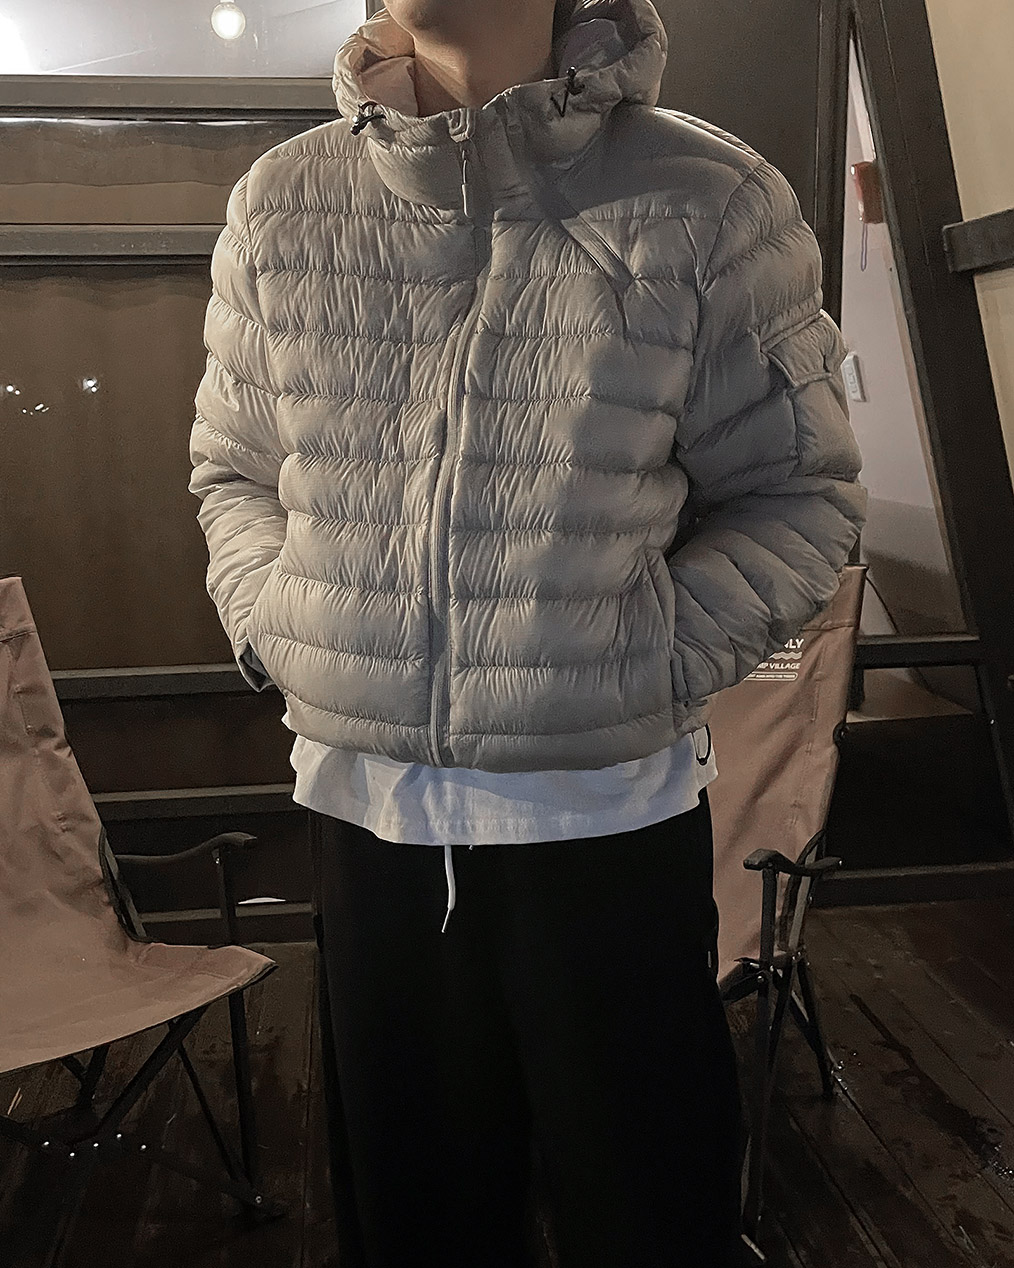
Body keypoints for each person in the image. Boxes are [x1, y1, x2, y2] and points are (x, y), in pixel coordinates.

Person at [188, 0, 866, 1264]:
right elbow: (236, 472)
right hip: (366, 817)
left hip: (604, 819)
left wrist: (643, 655)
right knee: (414, 1226)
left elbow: (800, 495)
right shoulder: (284, 199)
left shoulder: (710, 197)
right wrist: (280, 628)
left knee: (649, 1218)